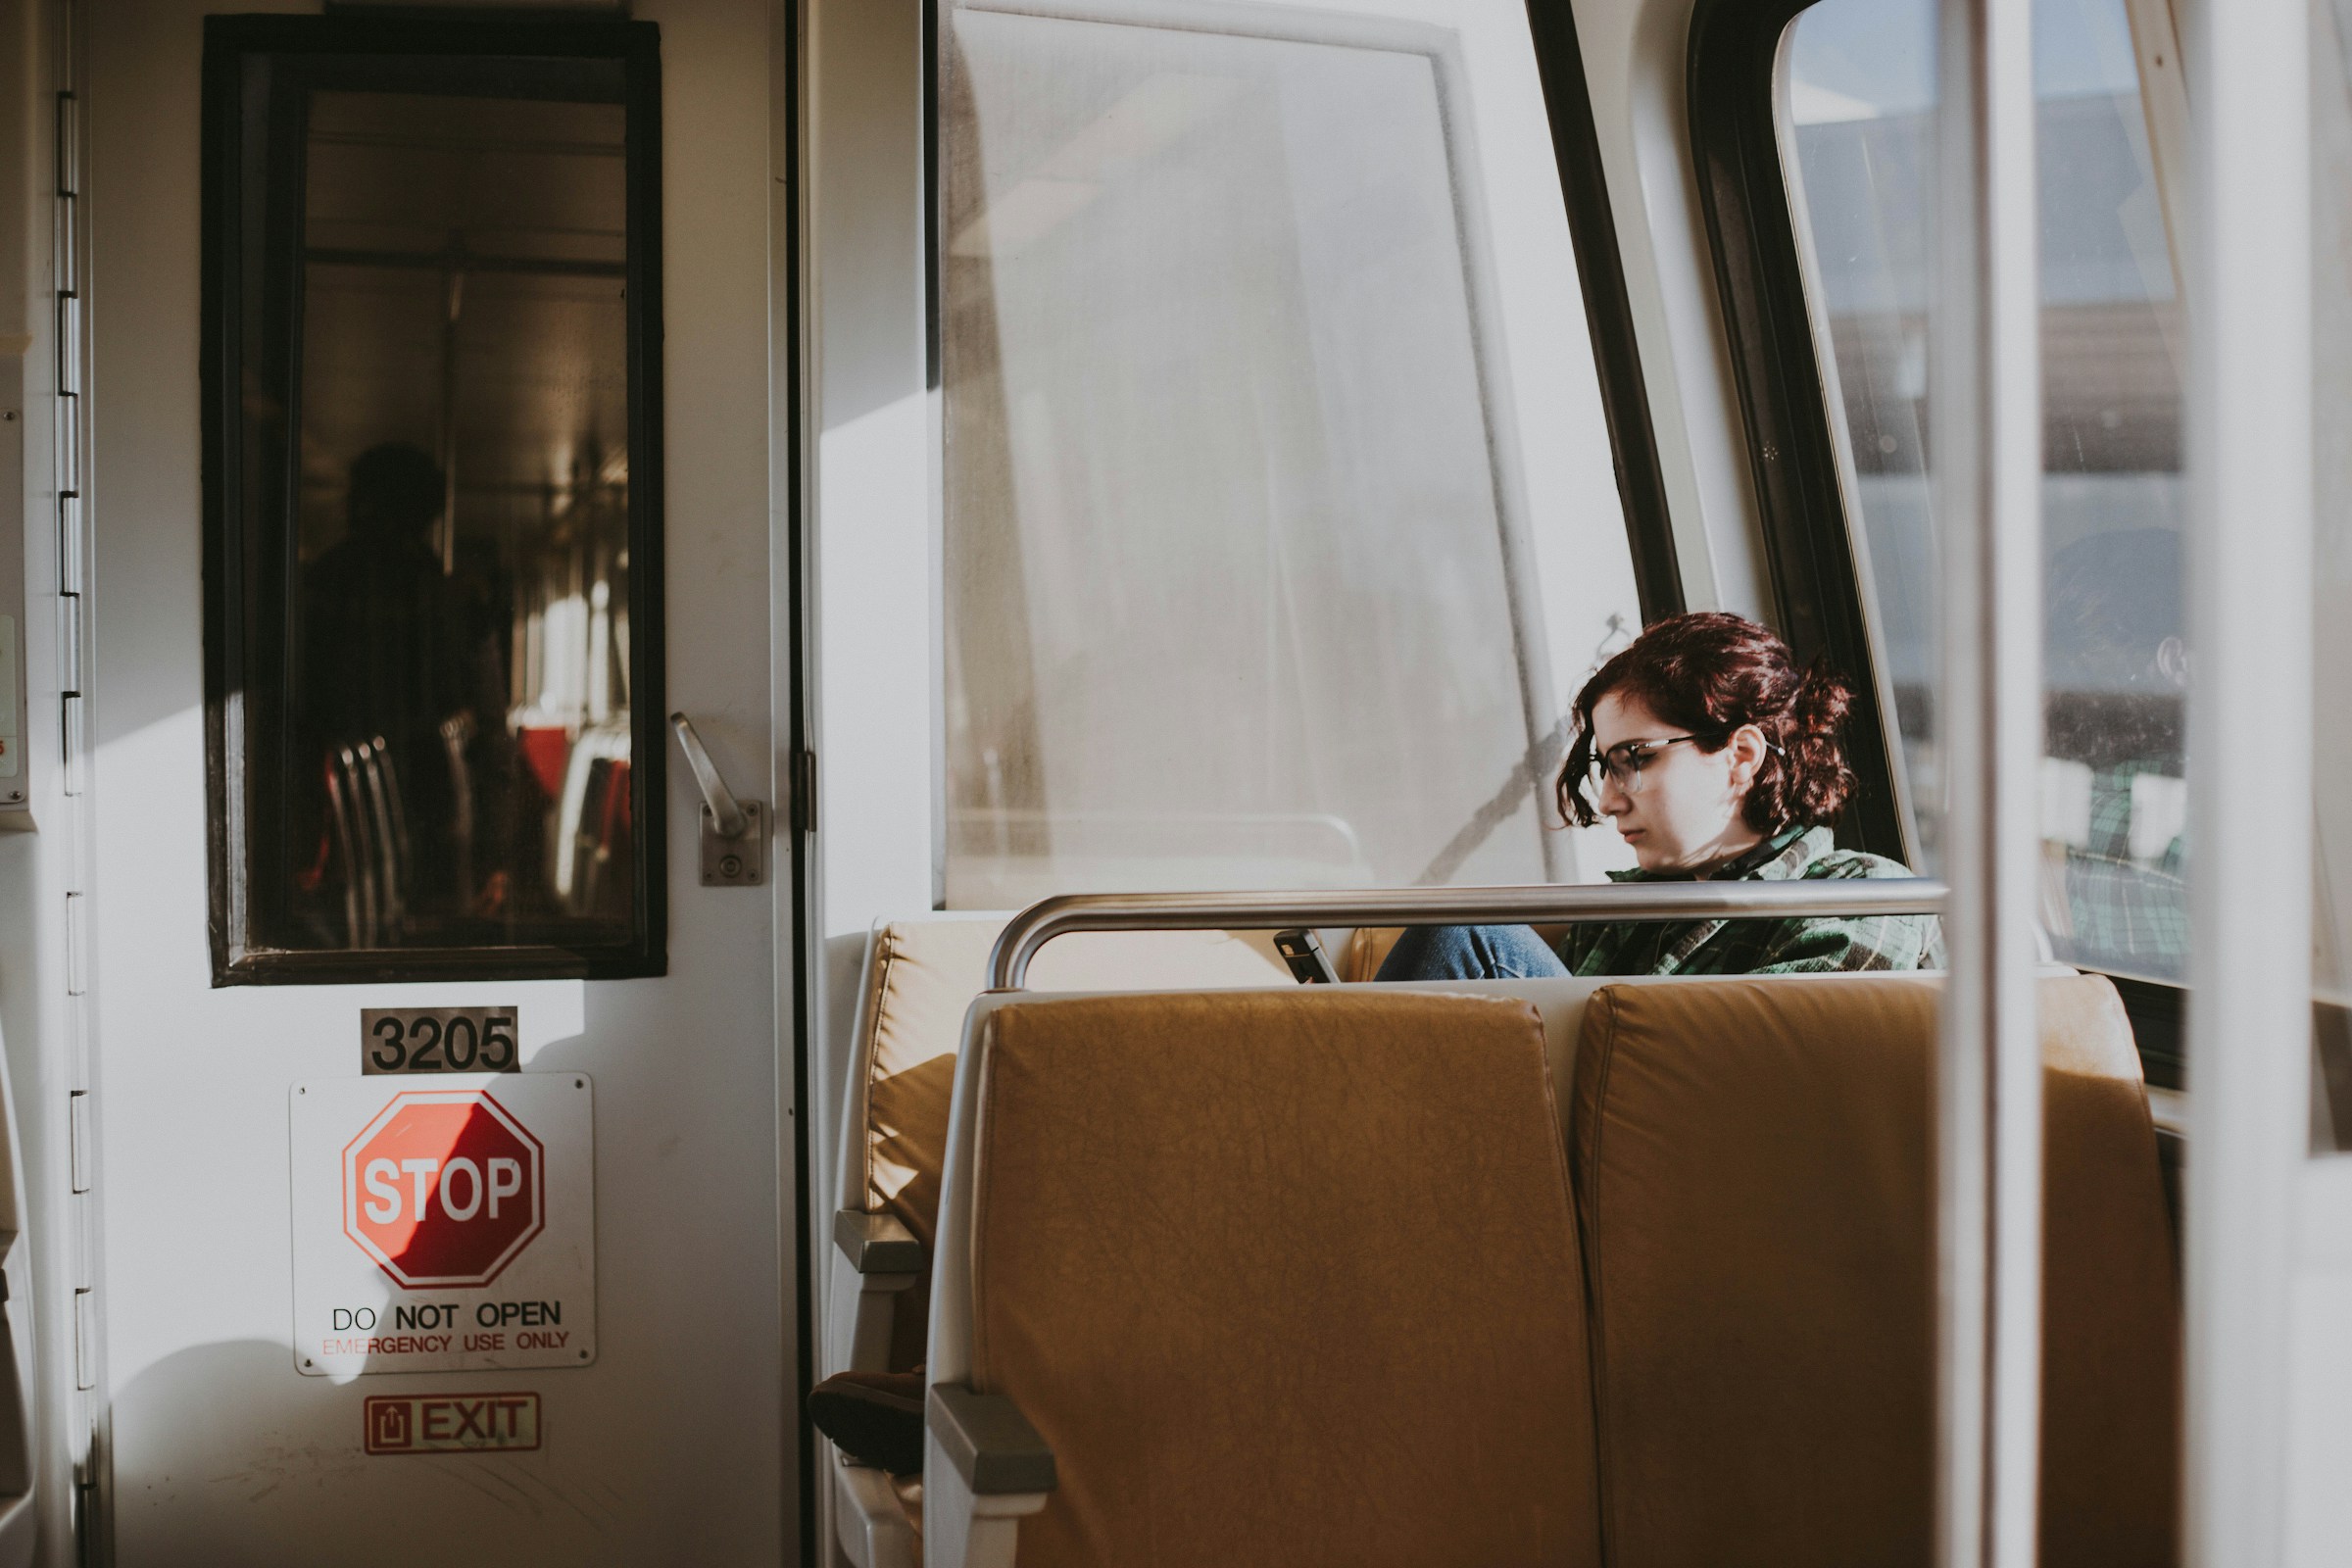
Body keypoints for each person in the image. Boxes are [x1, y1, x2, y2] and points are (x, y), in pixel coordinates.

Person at [1378, 612, 1942, 981]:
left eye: (1637, 758)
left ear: (1742, 755)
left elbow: (1760, 1078)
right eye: (1607, 766)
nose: (1607, 802)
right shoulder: (1622, 917)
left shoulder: (1864, 896)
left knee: (1468, 935)